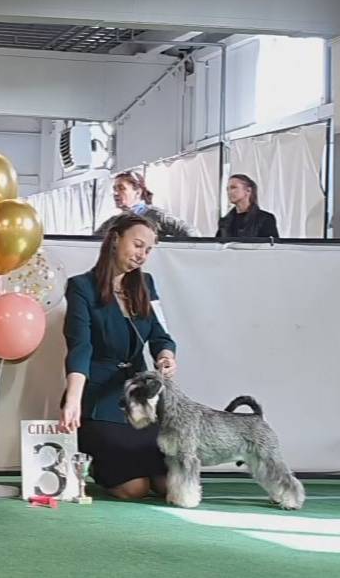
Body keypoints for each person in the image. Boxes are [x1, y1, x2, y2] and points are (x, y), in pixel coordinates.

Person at [60, 214, 178, 500]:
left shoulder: (146, 284)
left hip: (140, 401)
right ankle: (98, 467)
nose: (142, 255)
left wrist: (166, 356)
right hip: (98, 401)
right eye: (137, 245)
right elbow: (80, 347)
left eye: (148, 250)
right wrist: (73, 400)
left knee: (170, 485)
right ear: (115, 239)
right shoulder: (81, 287)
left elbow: (160, 335)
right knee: (135, 489)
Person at [95, 172, 196, 238]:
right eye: (114, 189)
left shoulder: (156, 216)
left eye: (121, 188)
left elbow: (191, 233)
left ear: (138, 192)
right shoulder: (113, 221)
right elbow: (93, 242)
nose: (115, 193)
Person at [217, 174, 279, 239]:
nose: (229, 192)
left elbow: (271, 244)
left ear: (248, 190)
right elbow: (217, 243)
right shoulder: (224, 222)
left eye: (233, 187)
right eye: (227, 189)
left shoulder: (265, 219)